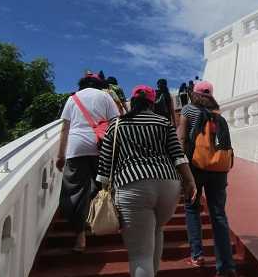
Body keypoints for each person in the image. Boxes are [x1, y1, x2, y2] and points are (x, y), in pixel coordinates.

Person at [97, 85, 197, 277]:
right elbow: (178, 155)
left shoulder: (117, 125)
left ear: (131, 102)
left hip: (132, 183)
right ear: (152, 103)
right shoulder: (163, 122)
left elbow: (105, 163)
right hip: (169, 184)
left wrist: (103, 190)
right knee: (157, 229)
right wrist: (190, 180)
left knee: (140, 255)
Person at [177, 81, 237, 276]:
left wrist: (181, 167)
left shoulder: (188, 110)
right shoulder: (217, 114)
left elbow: (182, 138)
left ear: (193, 94)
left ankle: (197, 255)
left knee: (192, 209)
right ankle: (226, 267)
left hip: (196, 168)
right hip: (219, 170)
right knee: (218, 214)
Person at [56, 73, 119, 252]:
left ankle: (80, 236)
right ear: (99, 84)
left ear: (81, 84)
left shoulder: (72, 99)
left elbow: (64, 129)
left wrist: (61, 155)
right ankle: (103, 223)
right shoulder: (105, 96)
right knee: (102, 187)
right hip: (101, 145)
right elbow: (115, 123)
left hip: (76, 147)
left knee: (74, 191)